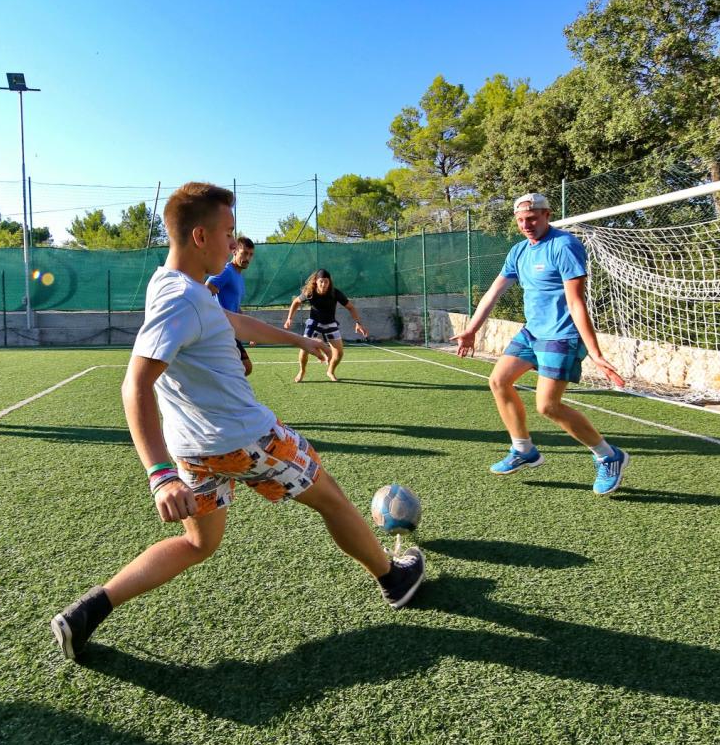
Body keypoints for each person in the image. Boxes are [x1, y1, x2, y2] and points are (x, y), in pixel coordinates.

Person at [51, 183, 425, 661]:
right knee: (331, 498)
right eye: (228, 233)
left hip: (195, 451)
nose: (234, 244)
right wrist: (159, 476)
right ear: (200, 236)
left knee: (198, 543)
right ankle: (394, 579)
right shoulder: (182, 299)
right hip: (247, 439)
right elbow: (134, 385)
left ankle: (88, 611)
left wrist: (297, 340)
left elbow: (231, 322)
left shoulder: (173, 284)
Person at [450, 193, 628, 495]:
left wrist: (595, 352)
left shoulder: (564, 245)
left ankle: (609, 456)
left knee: (547, 406)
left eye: (532, 218)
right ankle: (523, 449)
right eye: (520, 220)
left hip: (562, 335)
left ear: (547, 215)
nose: (526, 225)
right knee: (498, 381)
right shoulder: (519, 251)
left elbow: (576, 302)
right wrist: (471, 330)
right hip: (532, 333)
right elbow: (494, 292)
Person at [282, 269, 368, 382]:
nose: (323, 284)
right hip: (314, 323)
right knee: (304, 349)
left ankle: (330, 371)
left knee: (339, 353)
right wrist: (289, 318)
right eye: (321, 281)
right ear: (316, 281)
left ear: (329, 282)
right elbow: (296, 302)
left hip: (330, 323)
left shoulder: (335, 293)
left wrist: (358, 323)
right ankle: (302, 371)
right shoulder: (310, 292)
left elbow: (350, 307)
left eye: (326, 281)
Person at [206, 235, 255, 376]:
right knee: (243, 367)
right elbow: (206, 290)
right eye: (244, 253)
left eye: (250, 254)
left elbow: (235, 308)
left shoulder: (238, 276)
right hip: (220, 330)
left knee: (245, 367)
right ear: (234, 251)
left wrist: (250, 331)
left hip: (231, 330)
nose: (247, 258)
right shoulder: (226, 271)